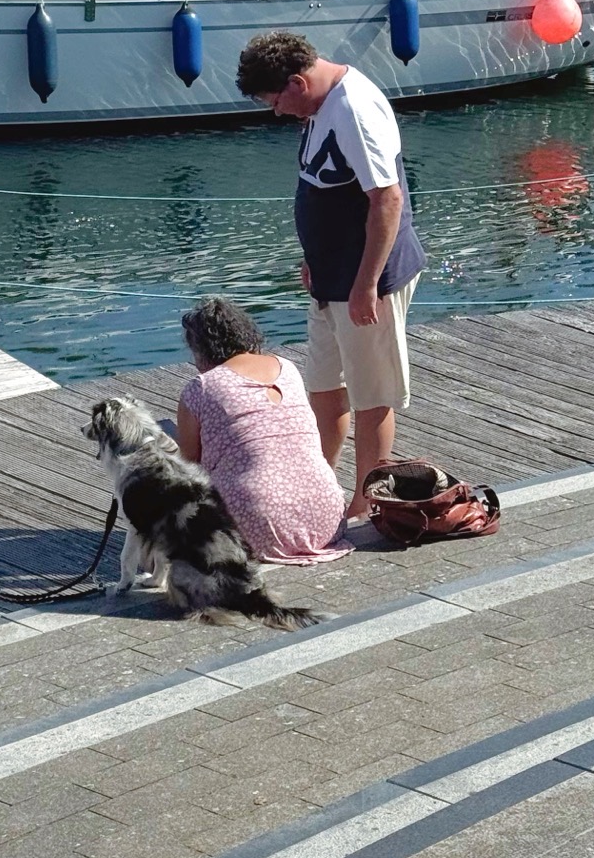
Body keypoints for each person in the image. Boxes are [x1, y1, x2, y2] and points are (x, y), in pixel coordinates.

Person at [236, 32, 426, 519]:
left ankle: (368, 502)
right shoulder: (318, 106)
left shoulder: (353, 110)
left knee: (372, 393)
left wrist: (367, 285)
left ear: (298, 82)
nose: (277, 113)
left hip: (366, 281)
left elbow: (387, 199)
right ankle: (323, 487)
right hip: (328, 275)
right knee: (324, 384)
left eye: (276, 101)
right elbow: (325, 186)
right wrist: (313, 254)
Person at [177, 297, 350, 564]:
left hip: (257, 528)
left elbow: (189, 468)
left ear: (200, 348)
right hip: (328, 519)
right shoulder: (287, 367)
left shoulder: (200, 387)